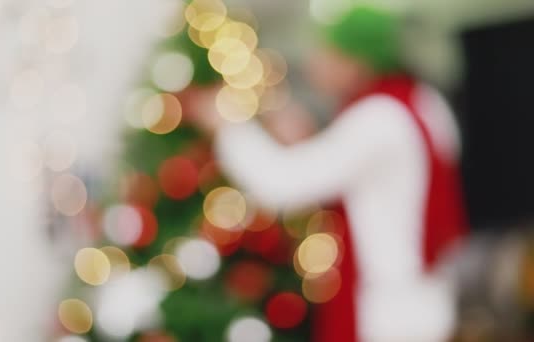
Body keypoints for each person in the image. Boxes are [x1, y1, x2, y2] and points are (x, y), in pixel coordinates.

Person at [191, 5, 468, 342]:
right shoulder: (420, 101)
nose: (315, 62)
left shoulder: (377, 118)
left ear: (357, 60)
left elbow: (284, 185)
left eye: (327, 51)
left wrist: (227, 127)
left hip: (389, 315)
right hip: (424, 298)